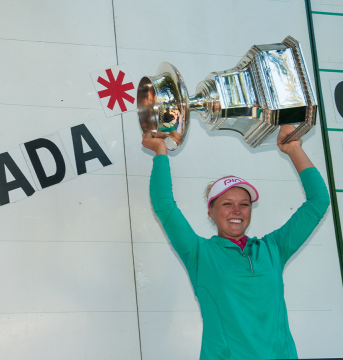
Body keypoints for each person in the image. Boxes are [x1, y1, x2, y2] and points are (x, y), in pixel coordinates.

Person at [141, 125, 330, 360]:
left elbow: (318, 202)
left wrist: (293, 149)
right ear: (211, 211)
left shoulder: (273, 248)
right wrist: (160, 151)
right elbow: (164, 205)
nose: (237, 210)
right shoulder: (199, 253)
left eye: (244, 203)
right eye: (227, 203)